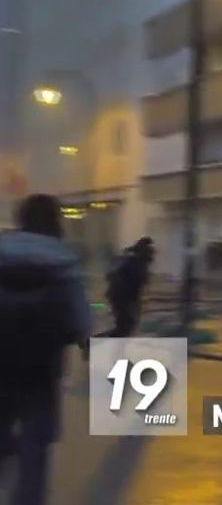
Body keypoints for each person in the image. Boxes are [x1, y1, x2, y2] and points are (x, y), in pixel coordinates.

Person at [0, 194, 92, 505]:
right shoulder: (64, 261)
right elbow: (81, 315)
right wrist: (86, 343)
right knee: (35, 450)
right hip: (42, 369)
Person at [105, 237, 154, 338]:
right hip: (125, 298)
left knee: (122, 326)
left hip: (116, 295)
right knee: (124, 328)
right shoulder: (139, 261)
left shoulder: (128, 255)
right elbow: (137, 284)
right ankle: (95, 344)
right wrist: (137, 305)